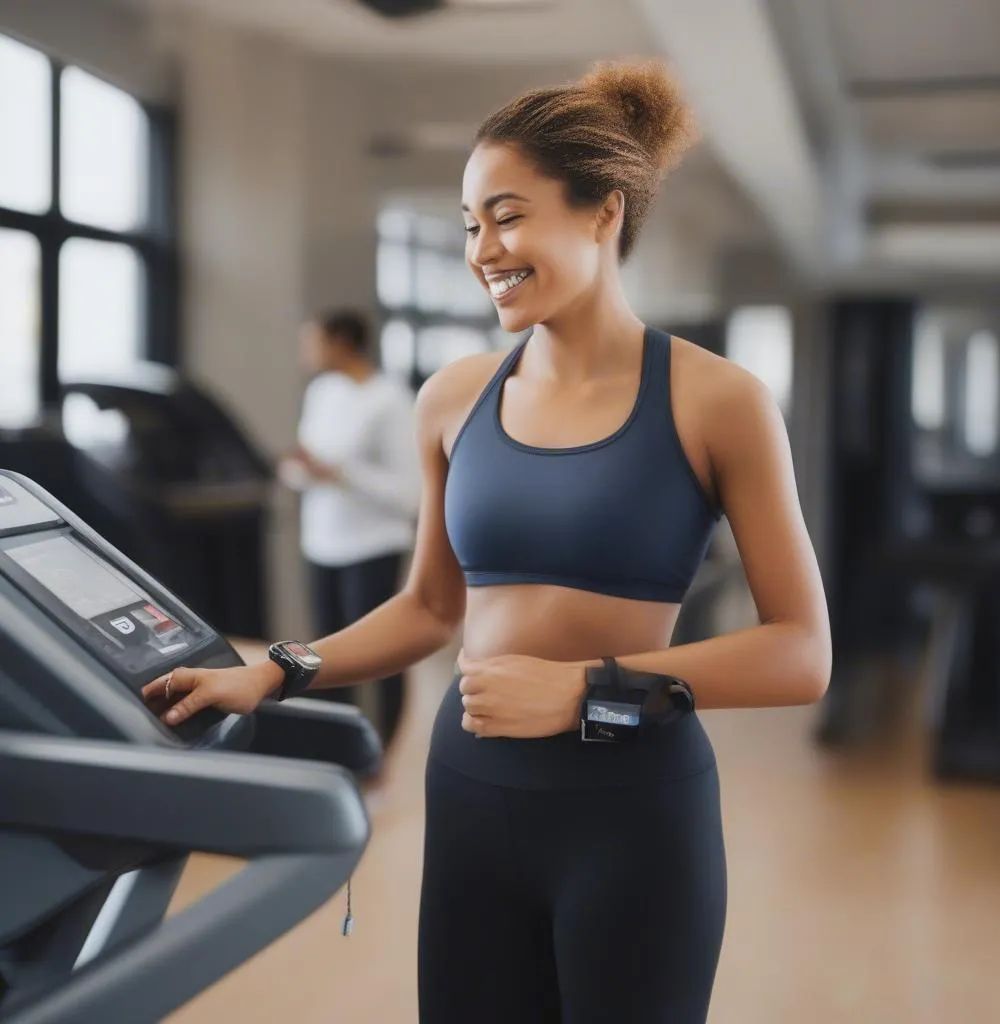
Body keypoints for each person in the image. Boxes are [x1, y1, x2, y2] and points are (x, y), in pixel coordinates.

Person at [145, 59, 832, 1024]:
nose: (482, 249)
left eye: (508, 216)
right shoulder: (454, 399)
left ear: (603, 212)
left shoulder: (717, 400)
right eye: (471, 223)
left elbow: (801, 653)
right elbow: (430, 607)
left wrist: (591, 685)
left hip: (633, 818)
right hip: (470, 800)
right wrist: (277, 670)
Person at [278, 309, 419, 747]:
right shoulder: (322, 391)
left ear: (340, 341)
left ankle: (385, 752)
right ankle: (340, 746)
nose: (305, 353)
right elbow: (306, 467)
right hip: (322, 543)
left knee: (380, 656)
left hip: (373, 546)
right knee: (326, 657)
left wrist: (341, 473)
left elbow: (410, 492)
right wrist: (302, 470)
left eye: (312, 341)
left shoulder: (390, 399)